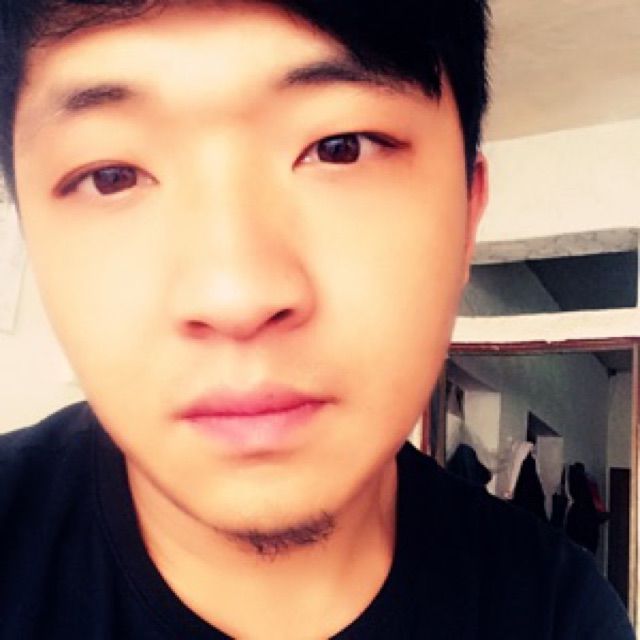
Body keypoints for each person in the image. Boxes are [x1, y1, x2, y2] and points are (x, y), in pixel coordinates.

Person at [0, 1, 634, 638]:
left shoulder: (559, 611)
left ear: (468, 215)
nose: (235, 298)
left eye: (340, 148)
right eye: (111, 176)